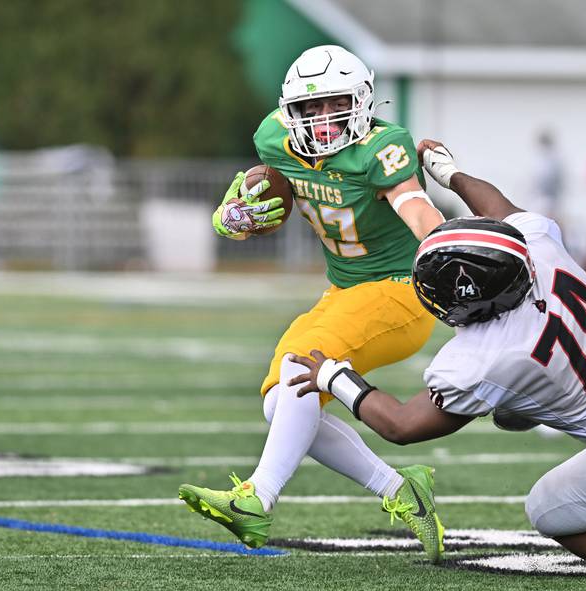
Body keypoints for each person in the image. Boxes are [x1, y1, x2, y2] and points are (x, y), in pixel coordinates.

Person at [287, 139, 586, 579]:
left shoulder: (482, 357)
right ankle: (532, 401)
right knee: (514, 402)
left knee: (546, 508)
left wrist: (334, 374)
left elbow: (402, 426)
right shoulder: (538, 246)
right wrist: (446, 170)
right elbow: (495, 205)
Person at [177, 45, 446, 562]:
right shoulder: (275, 137)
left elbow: (415, 206)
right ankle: (400, 489)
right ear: (291, 110)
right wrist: (238, 214)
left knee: (303, 358)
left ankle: (256, 498)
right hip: (345, 290)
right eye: (313, 107)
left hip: (402, 288)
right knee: (282, 398)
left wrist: (444, 245)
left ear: (362, 101)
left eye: (336, 103)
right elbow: (275, 200)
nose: (324, 119)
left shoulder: (382, 147)